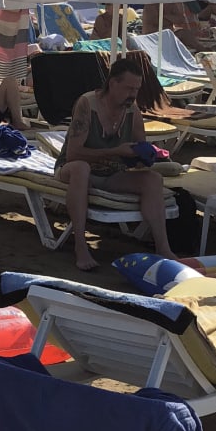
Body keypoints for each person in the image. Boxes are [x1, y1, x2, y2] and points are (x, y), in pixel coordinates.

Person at [54, 56, 176, 272]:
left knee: (153, 180)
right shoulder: (87, 104)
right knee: (82, 169)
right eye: (129, 88)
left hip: (111, 174)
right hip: (73, 169)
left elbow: (139, 148)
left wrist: (143, 156)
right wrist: (116, 151)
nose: (133, 94)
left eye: (136, 89)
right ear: (112, 83)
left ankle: (163, 248)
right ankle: (81, 246)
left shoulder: (132, 111)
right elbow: (73, 154)